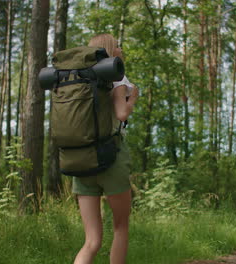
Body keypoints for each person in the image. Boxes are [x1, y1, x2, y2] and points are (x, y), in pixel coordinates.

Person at [73, 33, 139, 264]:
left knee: (91, 241)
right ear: (110, 50)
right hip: (111, 157)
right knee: (120, 226)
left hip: (81, 159)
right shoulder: (116, 76)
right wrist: (133, 97)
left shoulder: (79, 79)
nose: (121, 49)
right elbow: (121, 114)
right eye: (118, 45)